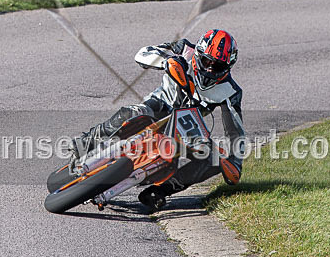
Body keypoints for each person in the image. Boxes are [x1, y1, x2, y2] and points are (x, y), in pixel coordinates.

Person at [69, 29, 245, 212]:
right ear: (199, 53)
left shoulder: (231, 91)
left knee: (213, 160)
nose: (209, 68)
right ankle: (86, 141)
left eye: (216, 65)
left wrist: (234, 162)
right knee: (132, 112)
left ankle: (160, 191)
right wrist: (166, 61)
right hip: (160, 105)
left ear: (228, 66)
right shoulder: (184, 48)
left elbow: (235, 132)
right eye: (206, 61)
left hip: (186, 126)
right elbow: (143, 54)